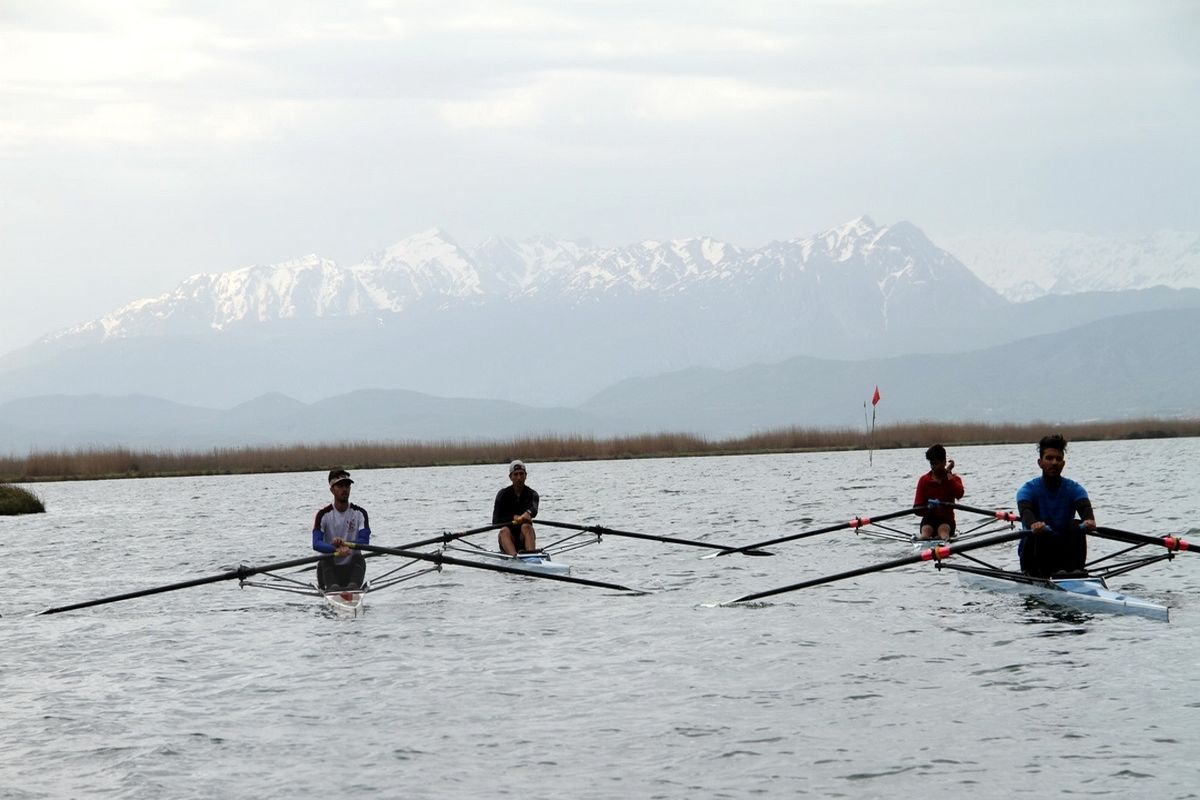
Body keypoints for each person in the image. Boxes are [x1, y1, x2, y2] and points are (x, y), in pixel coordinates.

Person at [1016, 434, 1096, 578]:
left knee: (1076, 524)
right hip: (1034, 557)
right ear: (1040, 462)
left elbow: (1085, 509)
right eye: (1049, 458)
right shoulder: (1027, 490)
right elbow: (1025, 512)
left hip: (1064, 556)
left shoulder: (1074, 488)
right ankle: (1047, 574)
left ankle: (1075, 572)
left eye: (1058, 459)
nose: (1054, 463)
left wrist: (1089, 520)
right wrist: (1033, 524)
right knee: (1041, 530)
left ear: (1063, 464)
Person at [312, 468, 371, 591]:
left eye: (347, 485)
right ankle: (333, 589)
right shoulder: (323, 515)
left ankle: (353, 589)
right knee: (324, 560)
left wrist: (346, 545)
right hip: (329, 567)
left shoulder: (360, 513)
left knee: (359, 558)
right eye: (340, 486)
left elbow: (364, 541)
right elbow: (316, 543)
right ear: (332, 490)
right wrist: (336, 548)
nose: (344, 489)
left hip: (353, 567)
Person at [913, 444, 964, 541]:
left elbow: (959, 494)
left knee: (943, 531)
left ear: (944, 462)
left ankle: (945, 541)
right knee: (926, 532)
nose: (933, 467)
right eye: (931, 464)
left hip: (947, 519)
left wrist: (949, 473)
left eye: (936, 464)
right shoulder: (923, 480)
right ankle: (923, 541)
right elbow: (916, 508)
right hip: (929, 519)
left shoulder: (954, 479)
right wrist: (928, 508)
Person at [493, 460, 539, 555]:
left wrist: (528, 513)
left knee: (527, 526)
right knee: (503, 530)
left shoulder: (532, 494)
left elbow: (534, 509)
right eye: (516, 474)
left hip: (524, 536)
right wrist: (514, 518)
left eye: (521, 474)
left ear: (526, 476)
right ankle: (514, 558)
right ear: (510, 477)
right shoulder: (502, 495)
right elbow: (495, 521)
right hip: (508, 538)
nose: (519, 478)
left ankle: (531, 557)